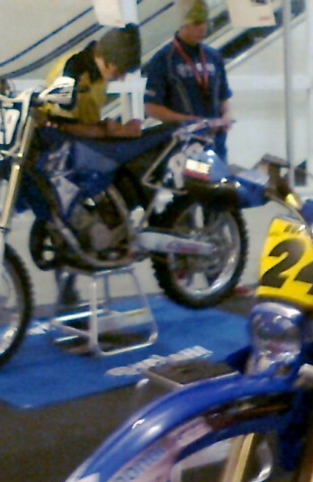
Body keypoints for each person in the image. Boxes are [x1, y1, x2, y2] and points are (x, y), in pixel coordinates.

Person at [42, 24, 144, 309]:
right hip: (59, 154)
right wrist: (114, 131)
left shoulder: (97, 73)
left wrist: (108, 127)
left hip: (77, 149)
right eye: (121, 70)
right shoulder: (73, 71)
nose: (121, 77)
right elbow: (62, 125)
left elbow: (84, 122)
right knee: (68, 219)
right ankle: (69, 295)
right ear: (109, 60)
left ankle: (108, 241)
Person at [143, 0, 233, 159]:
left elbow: (223, 97)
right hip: (183, 147)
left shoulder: (214, 56)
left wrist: (226, 117)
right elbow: (151, 108)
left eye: (205, 22)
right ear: (182, 24)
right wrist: (190, 122)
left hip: (216, 145)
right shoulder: (163, 59)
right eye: (197, 23)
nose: (203, 28)